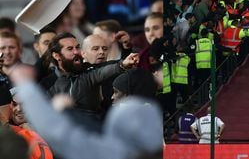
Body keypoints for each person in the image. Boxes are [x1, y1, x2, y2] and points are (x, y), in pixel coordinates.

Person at [8, 64, 163, 159]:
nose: (112, 97)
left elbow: (55, 130)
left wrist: (26, 85)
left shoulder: (109, 154)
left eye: (117, 93)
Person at [44, 32, 139, 114]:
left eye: (77, 47)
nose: (76, 52)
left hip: (93, 126)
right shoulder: (48, 83)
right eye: (70, 49)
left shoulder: (88, 73)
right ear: (56, 55)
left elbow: (105, 70)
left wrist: (123, 64)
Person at [8, 87, 54, 159]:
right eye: (14, 104)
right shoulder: (6, 129)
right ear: (10, 105)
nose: (19, 109)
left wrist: (31, 133)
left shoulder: (49, 131)